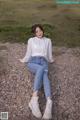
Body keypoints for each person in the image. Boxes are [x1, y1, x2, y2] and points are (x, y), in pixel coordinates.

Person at [19, 24, 54, 119]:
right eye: (36, 31)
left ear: (43, 30)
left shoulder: (48, 41)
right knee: (41, 70)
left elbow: (49, 54)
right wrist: (24, 59)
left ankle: (49, 102)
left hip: (43, 61)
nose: (39, 33)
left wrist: (51, 60)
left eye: (40, 30)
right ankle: (34, 99)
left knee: (45, 75)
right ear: (34, 33)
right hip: (33, 61)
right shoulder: (31, 40)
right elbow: (29, 53)